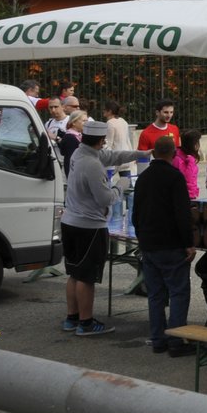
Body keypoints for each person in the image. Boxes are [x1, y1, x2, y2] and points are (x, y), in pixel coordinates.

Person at [60, 121, 148, 337]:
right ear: (101, 141)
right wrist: (121, 185)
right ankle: (86, 322)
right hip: (88, 227)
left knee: (74, 273)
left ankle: (72, 318)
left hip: (70, 222)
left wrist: (140, 153)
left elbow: (113, 157)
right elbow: (105, 198)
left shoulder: (81, 154)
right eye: (104, 142)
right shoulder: (92, 164)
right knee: (87, 277)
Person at [131, 133, 198, 358]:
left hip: (149, 243)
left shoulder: (143, 178)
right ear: (172, 153)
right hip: (171, 244)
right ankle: (176, 340)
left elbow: (136, 212)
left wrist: (141, 237)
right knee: (179, 292)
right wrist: (189, 243)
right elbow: (182, 214)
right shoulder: (175, 177)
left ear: (154, 152)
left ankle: (158, 339)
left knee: (156, 295)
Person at [175, 129, 202, 202]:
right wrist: (191, 162)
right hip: (183, 196)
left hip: (191, 195)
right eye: (197, 142)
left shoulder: (188, 157)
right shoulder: (179, 159)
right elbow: (187, 178)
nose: (198, 145)